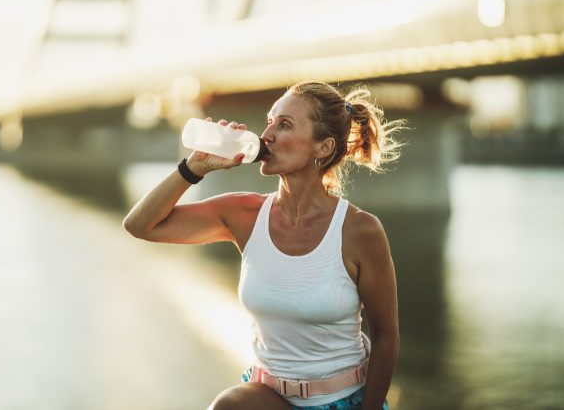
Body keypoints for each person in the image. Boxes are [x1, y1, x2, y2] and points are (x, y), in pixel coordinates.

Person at [123, 81, 403, 409]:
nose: (266, 135)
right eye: (270, 121)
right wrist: (193, 168)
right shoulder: (244, 214)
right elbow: (140, 225)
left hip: (345, 401)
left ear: (323, 147)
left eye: (284, 125)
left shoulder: (360, 231)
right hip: (268, 398)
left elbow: (386, 337)